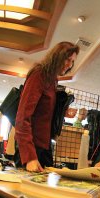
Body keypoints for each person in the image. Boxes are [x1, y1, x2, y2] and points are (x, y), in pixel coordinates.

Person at [15, 42, 79, 172]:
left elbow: (42, 112)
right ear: (57, 56)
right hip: (32, 148)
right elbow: (22, 117)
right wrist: (30, 157)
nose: (69, 65)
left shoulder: (52, 79)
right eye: (67, 59)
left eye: (72, 61)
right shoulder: (40, 74)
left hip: (44, 146)